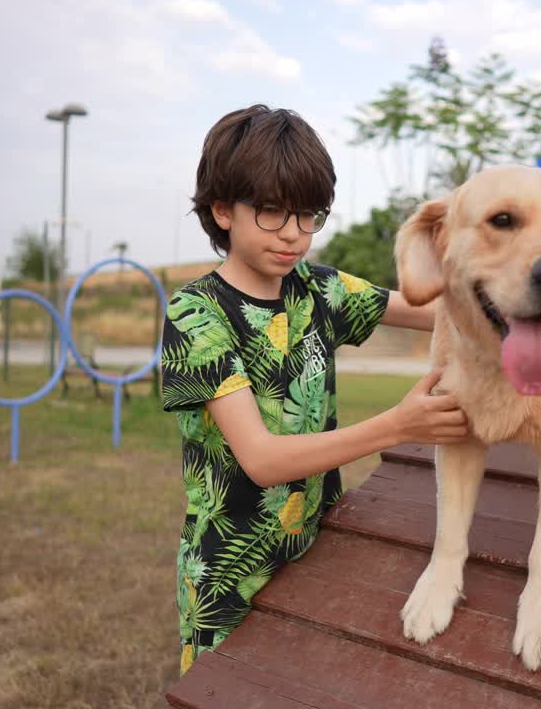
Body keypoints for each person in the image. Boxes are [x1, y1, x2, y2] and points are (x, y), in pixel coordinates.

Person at [160, 104, 468, 675]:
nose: (295, 236)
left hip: (319, 554)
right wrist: (397, 426)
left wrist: (519, 299)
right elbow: (261, 459)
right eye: (273, 213)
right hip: (229, 580)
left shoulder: (319, 289)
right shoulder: (196, 312)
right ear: (223, 209)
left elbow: (442, 313)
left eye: (309, 216)